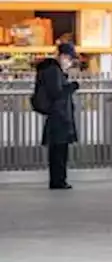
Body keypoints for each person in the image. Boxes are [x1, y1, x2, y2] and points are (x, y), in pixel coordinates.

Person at [32, 42, 79, 190]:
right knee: (59, 151)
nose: (70, 62)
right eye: (70, 59)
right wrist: (72, 86)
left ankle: (59, 179)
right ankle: (58, 180)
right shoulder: (53, 71)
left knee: (59, 150)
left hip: (57, 116)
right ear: (63, 56)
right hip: (59, 116)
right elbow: (57, 93)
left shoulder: (52, 70)